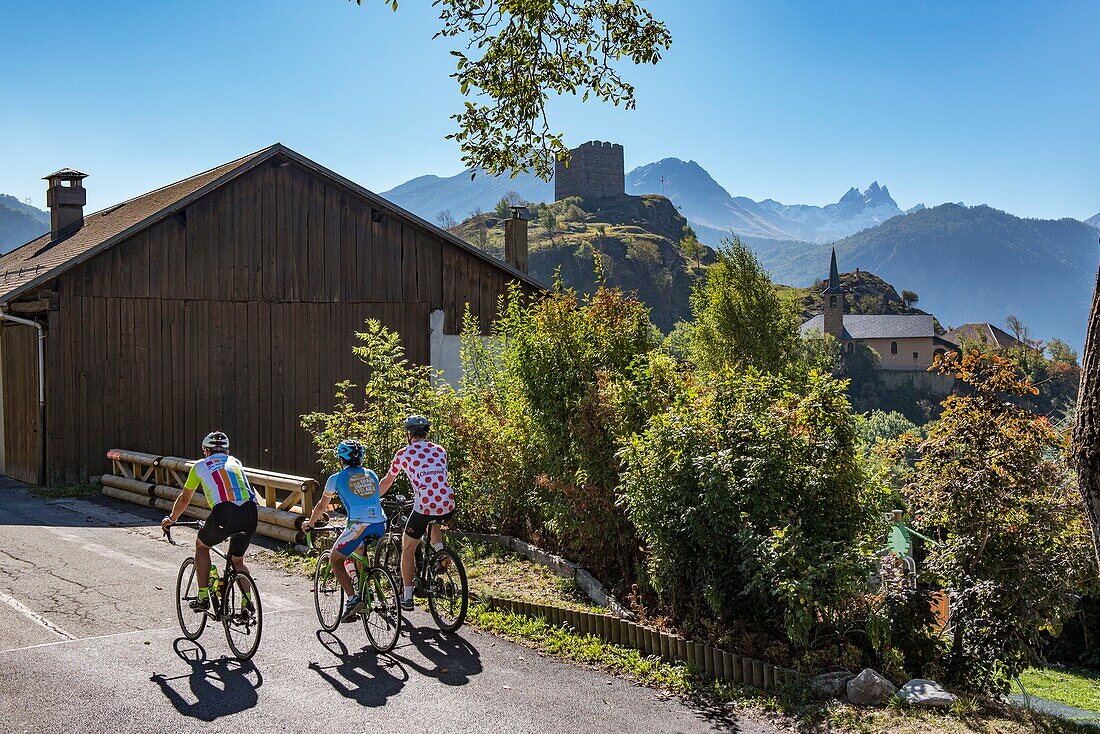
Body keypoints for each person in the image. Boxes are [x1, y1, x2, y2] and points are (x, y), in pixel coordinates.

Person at [161, 431, 258, 614]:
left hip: (224, 511)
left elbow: (184, 500)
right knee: (238, 560)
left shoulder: (199, 466)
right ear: (226, 451)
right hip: (251, 512)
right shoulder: (235, 462)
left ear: (205, 450)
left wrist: (172, 519)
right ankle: (248, 604)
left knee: (201, 546)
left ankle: (203, 596)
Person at [302, 439, 387, 621]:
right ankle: (367, 589)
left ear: (341, 459)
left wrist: (309, 523)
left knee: (335, 559)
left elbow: (321, 506)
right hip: (380, 522)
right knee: (359, 549)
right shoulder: (371, 474)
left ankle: (352, 598)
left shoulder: (336, 478)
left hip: (357, 524)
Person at [378, 415, 454, 611]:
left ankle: (408, 595)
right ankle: (440, 554)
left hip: (424, 505)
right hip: (447, 503)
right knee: (433, 519)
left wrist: (371, 498)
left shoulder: (404, 453)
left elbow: (387, 481)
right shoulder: (440, 450)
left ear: (409, 434)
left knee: (408, 547)